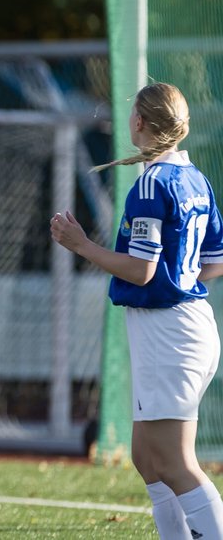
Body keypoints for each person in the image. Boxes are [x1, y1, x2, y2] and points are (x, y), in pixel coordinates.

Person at [51, 83, 223, 540]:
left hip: (171, 333)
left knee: (176, 462)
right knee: (147, 459)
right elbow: (215, 260)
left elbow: (143, 272)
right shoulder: (195, 177)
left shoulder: (153, 182)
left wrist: (81, 245)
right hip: (182, 328)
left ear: (141, 123)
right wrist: (180, 282)